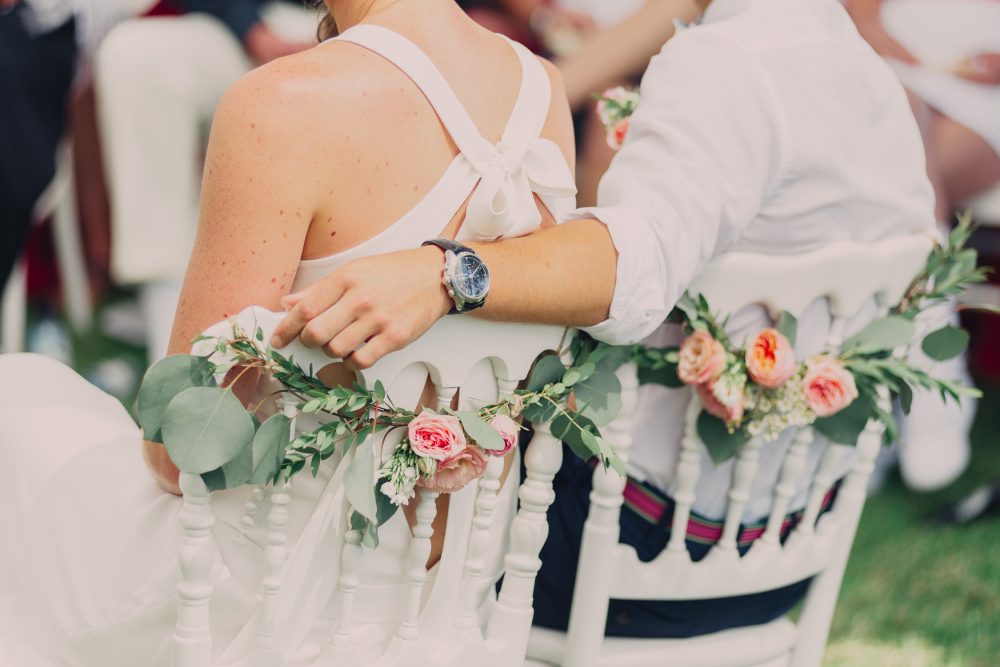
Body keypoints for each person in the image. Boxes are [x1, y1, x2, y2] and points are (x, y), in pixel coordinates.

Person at [270, 0, 938, 637]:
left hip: (634, 553)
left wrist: (446, 271)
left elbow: (636, 269)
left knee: (407, 426)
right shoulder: (873, 83)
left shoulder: (726, 63)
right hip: (785, 547)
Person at [0, 0, 576, 663]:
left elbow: (175, 456)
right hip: (444, 603)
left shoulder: (282, 104)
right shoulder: (542, 90)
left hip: (260, 604)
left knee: (15, 404)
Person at [94, 0, 318, 362]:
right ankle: (169, 333)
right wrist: (250, 28)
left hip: (381, 32)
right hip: (259, 21)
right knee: (135, 55)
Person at [845, 0, 999, 491]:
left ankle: (867, 414)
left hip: (975, 99)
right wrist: (863, 22)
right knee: (887, 118)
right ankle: (927, 364)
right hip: (884, 79)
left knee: (869, 170)